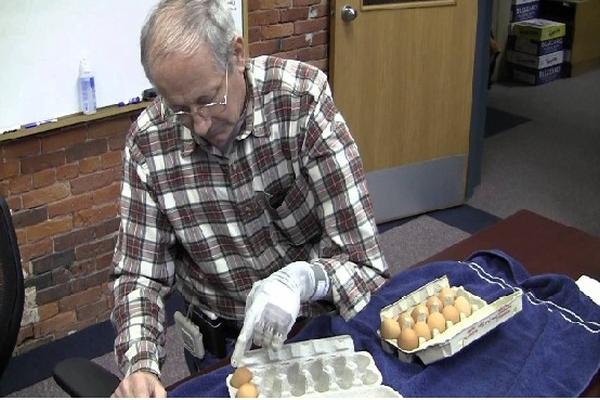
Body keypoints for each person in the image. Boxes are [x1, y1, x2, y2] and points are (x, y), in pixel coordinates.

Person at [110, 0, 388, 397]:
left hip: (311, 334)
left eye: (208, 99)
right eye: (180, 110)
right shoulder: (148, 141)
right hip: (217, 345)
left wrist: (304, 280)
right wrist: (140, 363)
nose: (200, 125)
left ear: (237, 55)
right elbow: (139, 274)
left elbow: (366, 265)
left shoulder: (301, 101)